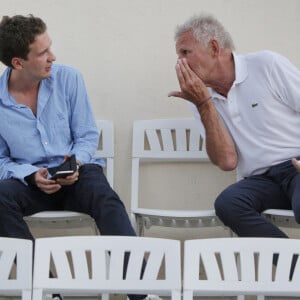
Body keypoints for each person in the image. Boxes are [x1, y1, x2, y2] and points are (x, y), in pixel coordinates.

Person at [0, 14, 157, 300]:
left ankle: (142, 293)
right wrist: (30, 175)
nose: (52, 56)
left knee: (105, 197)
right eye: (43, 52)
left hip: (77, 175)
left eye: (51, 47)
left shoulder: (69, 79)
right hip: (32, 183)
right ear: (18, 63)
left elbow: (86, 136)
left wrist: (76, 164)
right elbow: (1, 161)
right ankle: (45, 291)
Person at [168, 13, 300, 239]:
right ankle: (294, 268)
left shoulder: (266, 64)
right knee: (228, 204)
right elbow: (227, 161)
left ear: (213, 47)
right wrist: (203, 104)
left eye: (185, 52)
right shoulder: (200, 98)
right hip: (262, 179)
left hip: (296, 165)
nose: (180, 62)